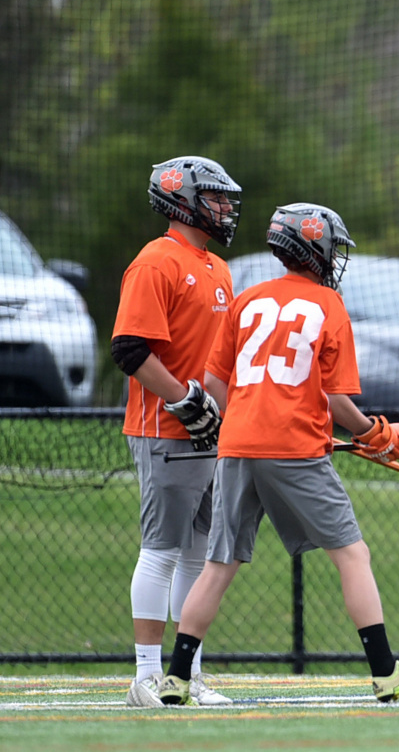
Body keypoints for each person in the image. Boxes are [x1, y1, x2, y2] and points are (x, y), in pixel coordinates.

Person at [156, 202, 399, 706]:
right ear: (314, 249)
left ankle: (177, 677)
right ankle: (385, 673)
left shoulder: (247, 301)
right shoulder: (329, 307)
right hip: (294, 451)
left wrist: (252, 420)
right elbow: (337, 402)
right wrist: (375, 432)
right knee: (352, 554)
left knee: (218, 565)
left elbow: (213, 383)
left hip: (236, 448)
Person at [111, 155, 242, 707]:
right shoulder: (156, 261)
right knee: (162, 550)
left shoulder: (216, 266)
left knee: (197, 557)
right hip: (166, 429)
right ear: (183, 199)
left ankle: (184, 676)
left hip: (210, 434)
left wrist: (222, 410)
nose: (226, 208)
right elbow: (130, 349)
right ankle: (144, 677)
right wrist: (186, 400)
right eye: (215, 198)